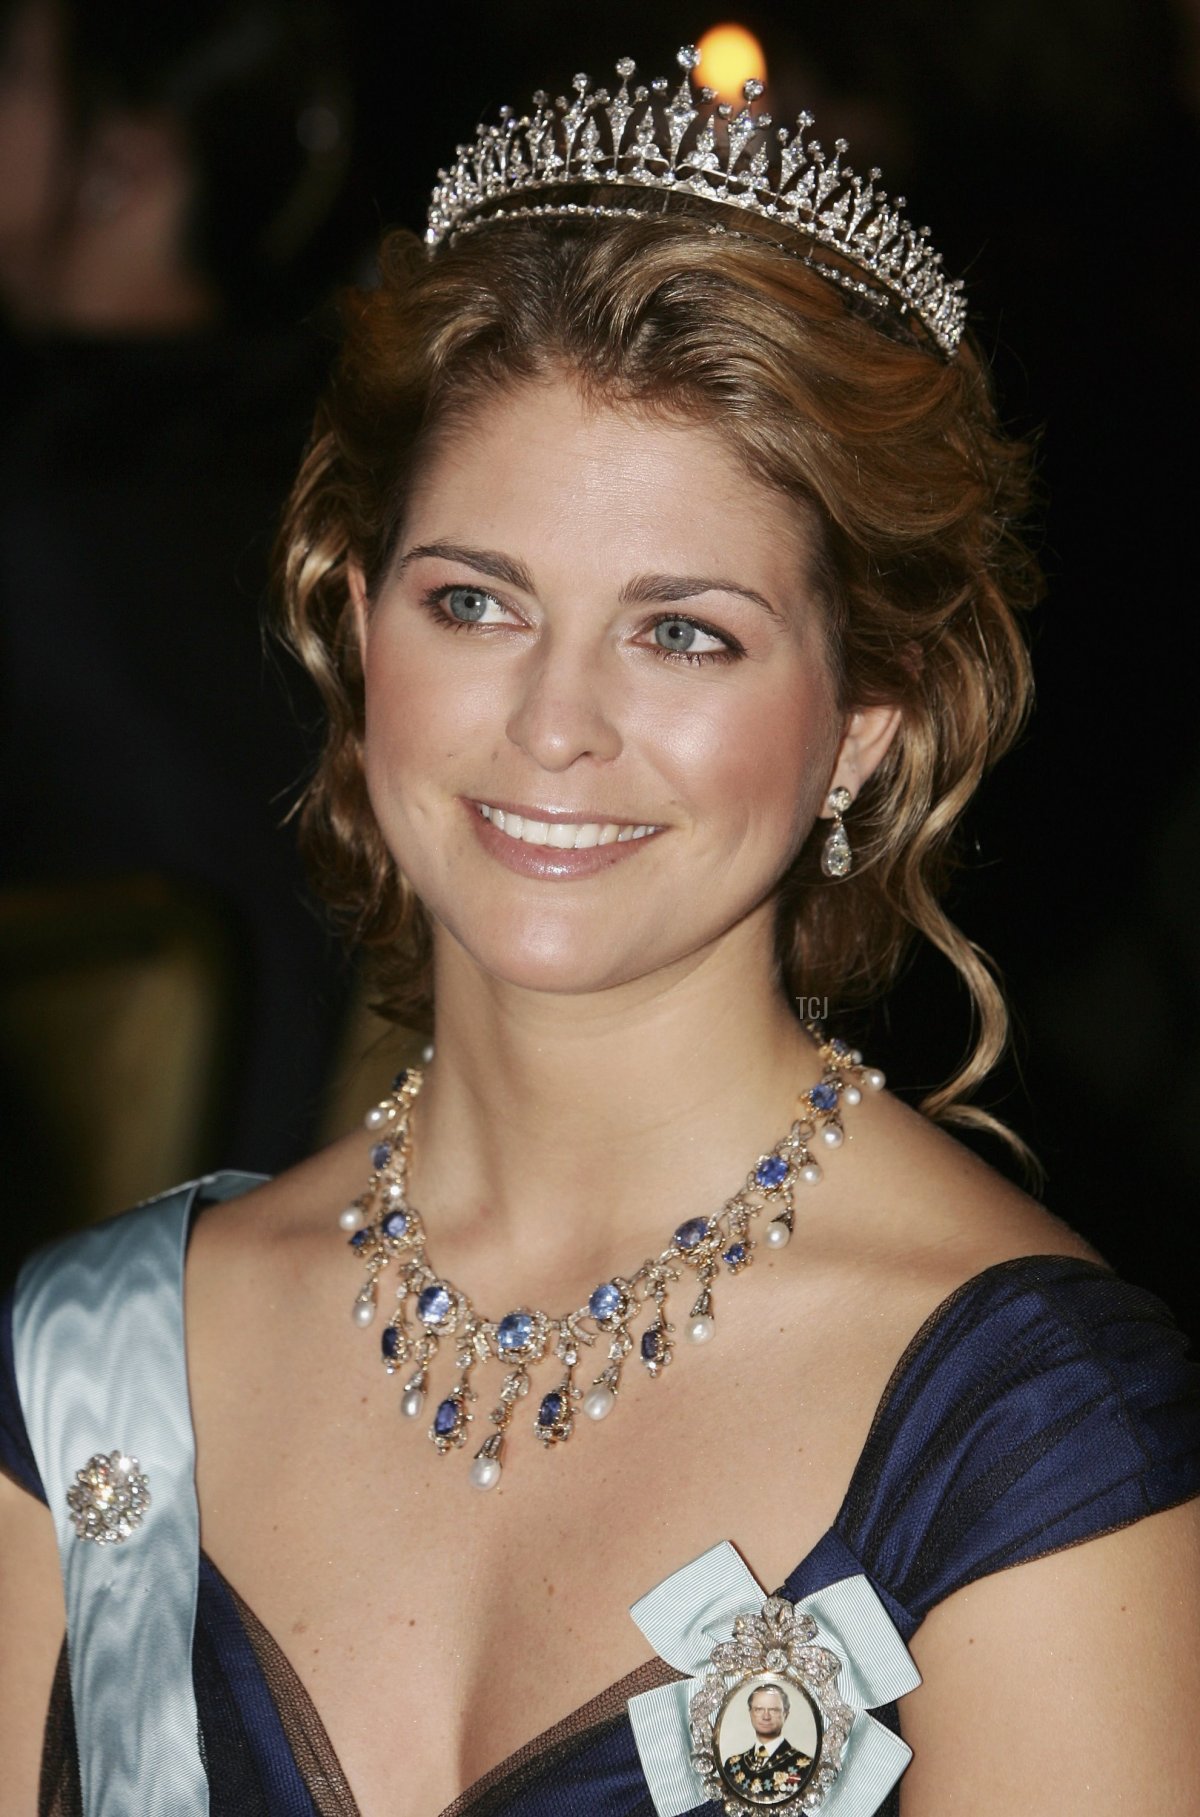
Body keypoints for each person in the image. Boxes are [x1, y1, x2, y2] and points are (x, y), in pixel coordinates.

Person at [2, 41, 1199, 1817]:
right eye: (476, 600)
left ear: (867, 711)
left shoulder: (1031, 1437)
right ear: (357, 623)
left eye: (686, 631)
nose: (554, 723)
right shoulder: (98, 1364)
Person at [723, 1684, 812, 1803]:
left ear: (785, 1714)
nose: (766, 1716)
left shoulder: (805, 1767)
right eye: (759, 1709)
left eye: (774, 1710)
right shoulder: (733, 1765)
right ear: (750, 1713)